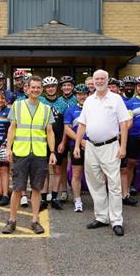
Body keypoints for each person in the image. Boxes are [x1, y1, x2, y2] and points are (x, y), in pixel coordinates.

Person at [74, 70, 130, 237]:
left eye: (102, 79)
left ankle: (117, 220)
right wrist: (77, 145)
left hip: (111, 146)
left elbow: (124, 124)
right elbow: (82, 125)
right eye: (96, 79)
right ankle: (101, 217)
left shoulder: (116, 99)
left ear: (107, 80)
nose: (99, 81)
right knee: (95, 183)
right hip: (90, 147)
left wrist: (123, 147)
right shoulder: (89, 101)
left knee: (114, 184)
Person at [2, 76, 56, 235]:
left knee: (37, 188)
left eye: (39, 87)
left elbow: (50, 131)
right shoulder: (17, 106)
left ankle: (35, 221)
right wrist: (8, 148)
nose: (36, 90)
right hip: (21, 152)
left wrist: (52, 152)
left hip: (39, 154)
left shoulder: (46, 109)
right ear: (27, 88)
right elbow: (12, 128)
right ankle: (11, 220)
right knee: (18, 188)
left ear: (42, 89)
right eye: (33, 87)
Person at [39, 76, 69, 210]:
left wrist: (63, 142)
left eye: (52, 86)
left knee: (57, 169)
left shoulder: (62, 103)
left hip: (57, 141)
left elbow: (65, 126)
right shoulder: (40, 101)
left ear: (56, 88)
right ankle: (44, 197)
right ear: (44, 89)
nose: (50, 89)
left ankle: (55, 196)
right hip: (42, 140)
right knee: (44, 170)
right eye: (48, 87)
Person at [64, 83, 89, 212]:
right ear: (76, 95)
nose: (82, 96)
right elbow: (67, 129)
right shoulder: (70, 109)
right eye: (79, 94)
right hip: (76, 146)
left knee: (96, 174)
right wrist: (81, 142)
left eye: (84, 94)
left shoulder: (93, 108)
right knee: (77, 174)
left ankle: (99, 199)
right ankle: (77, 200)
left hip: (93, 146)